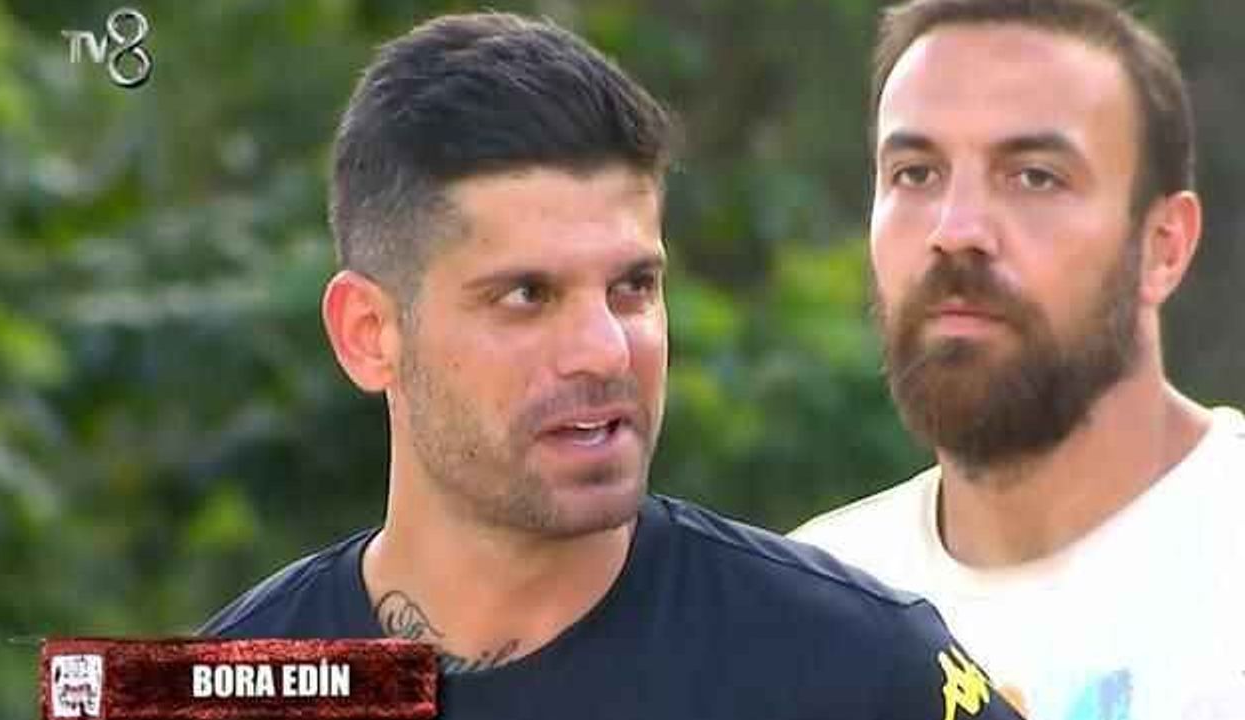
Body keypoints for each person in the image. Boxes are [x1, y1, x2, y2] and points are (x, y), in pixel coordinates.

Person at [199, 11, 1023, 720]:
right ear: (369, 334)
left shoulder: (857, 672)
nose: (604, 348)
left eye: (633, 287)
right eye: (526, 295)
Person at [790, 0, 1245, 717]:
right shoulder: (804, 612)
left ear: (1163, 246)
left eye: (1034, 176)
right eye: (915, 173)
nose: (956, 230)